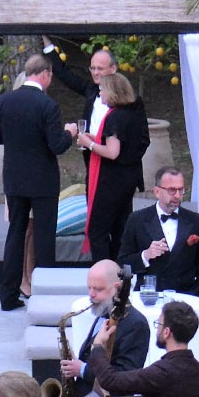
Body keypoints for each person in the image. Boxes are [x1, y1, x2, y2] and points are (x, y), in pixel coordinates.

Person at [0, 54, 73, 312]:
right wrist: (70, 133)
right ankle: (45, 294)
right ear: (45, 73)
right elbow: (56, 145)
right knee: (45, 238)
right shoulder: (48, 105)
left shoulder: (5, 100)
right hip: (43, 180)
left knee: (15, 234)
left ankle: (8, 296)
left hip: (14, 177)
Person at [75, 70, 149, 262]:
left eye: (102, 90)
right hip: (128, 178)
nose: (99, 94)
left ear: (113, 92)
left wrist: (89, 144)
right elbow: (126, 144)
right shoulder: (132, 113)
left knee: (97, 230)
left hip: (110, 181)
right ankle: (121, 270)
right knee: (120, 226)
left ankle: (103, 271)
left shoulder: (114, 117)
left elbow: (112, 152)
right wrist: (95, 138)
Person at [60, 259, 150, 397]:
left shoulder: (136, 324)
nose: (91, 294)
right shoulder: (105, 311)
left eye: (98, 289)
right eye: (89, 288)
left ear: (117, 287)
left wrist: (82, 370)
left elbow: (126, 377)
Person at [119, 167, 199, 296]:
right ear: (157, 192)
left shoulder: (195, 220)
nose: (177, 195)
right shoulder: (137, 219)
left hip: (185, 297)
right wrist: (146, 255)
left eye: (181, 190)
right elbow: (123, 263)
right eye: (172, 190)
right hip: (149, 296)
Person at [43, 41, 116, 149]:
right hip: (91, 155)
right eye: (93, 68)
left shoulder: (127, 98)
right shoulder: (91, 89)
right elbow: (64, 74)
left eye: (100, 68)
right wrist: (47, 41)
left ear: (113, 69)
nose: (95, 73)